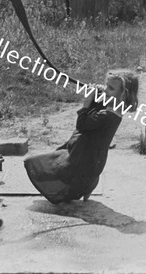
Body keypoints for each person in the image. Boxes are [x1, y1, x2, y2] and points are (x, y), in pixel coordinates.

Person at [24, 69, 139, 204]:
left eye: (111, 88)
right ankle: (86, 187)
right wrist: (97, 93)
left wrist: (86, 102)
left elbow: (82, 124)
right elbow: (97, 108)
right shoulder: (113, 109)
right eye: (106, 86)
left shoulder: (107, 116)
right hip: (90, 158)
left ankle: (79, 188)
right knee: (64, 169)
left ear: (123, 95)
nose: (106, 90)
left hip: (82, 158)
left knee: (35, 164)